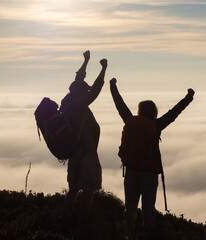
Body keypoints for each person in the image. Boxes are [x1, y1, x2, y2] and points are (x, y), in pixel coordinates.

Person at [109, 78, 195, 238]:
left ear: (140, 110)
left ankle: (128, 234)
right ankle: (148, 234)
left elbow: (119, 104)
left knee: (130, 207)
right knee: (148, 208)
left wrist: (112, 86)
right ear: (153, 112)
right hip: (150, 171)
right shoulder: (156, 125)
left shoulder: (130, 120)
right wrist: (188, 98)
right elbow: (174, 113)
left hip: (131, 170)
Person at [61, 50, 107, 221]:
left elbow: (78, 80)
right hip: (86, 154)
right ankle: (83, 222)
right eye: (84, 91)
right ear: (80, 93)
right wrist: (103, 69)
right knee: (88, 191)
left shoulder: (68, 102)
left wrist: (86, 60)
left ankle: (66, 218)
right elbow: (94, 90)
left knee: (73, 188)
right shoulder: (78, 106)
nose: (86, 92)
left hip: (75, 154)